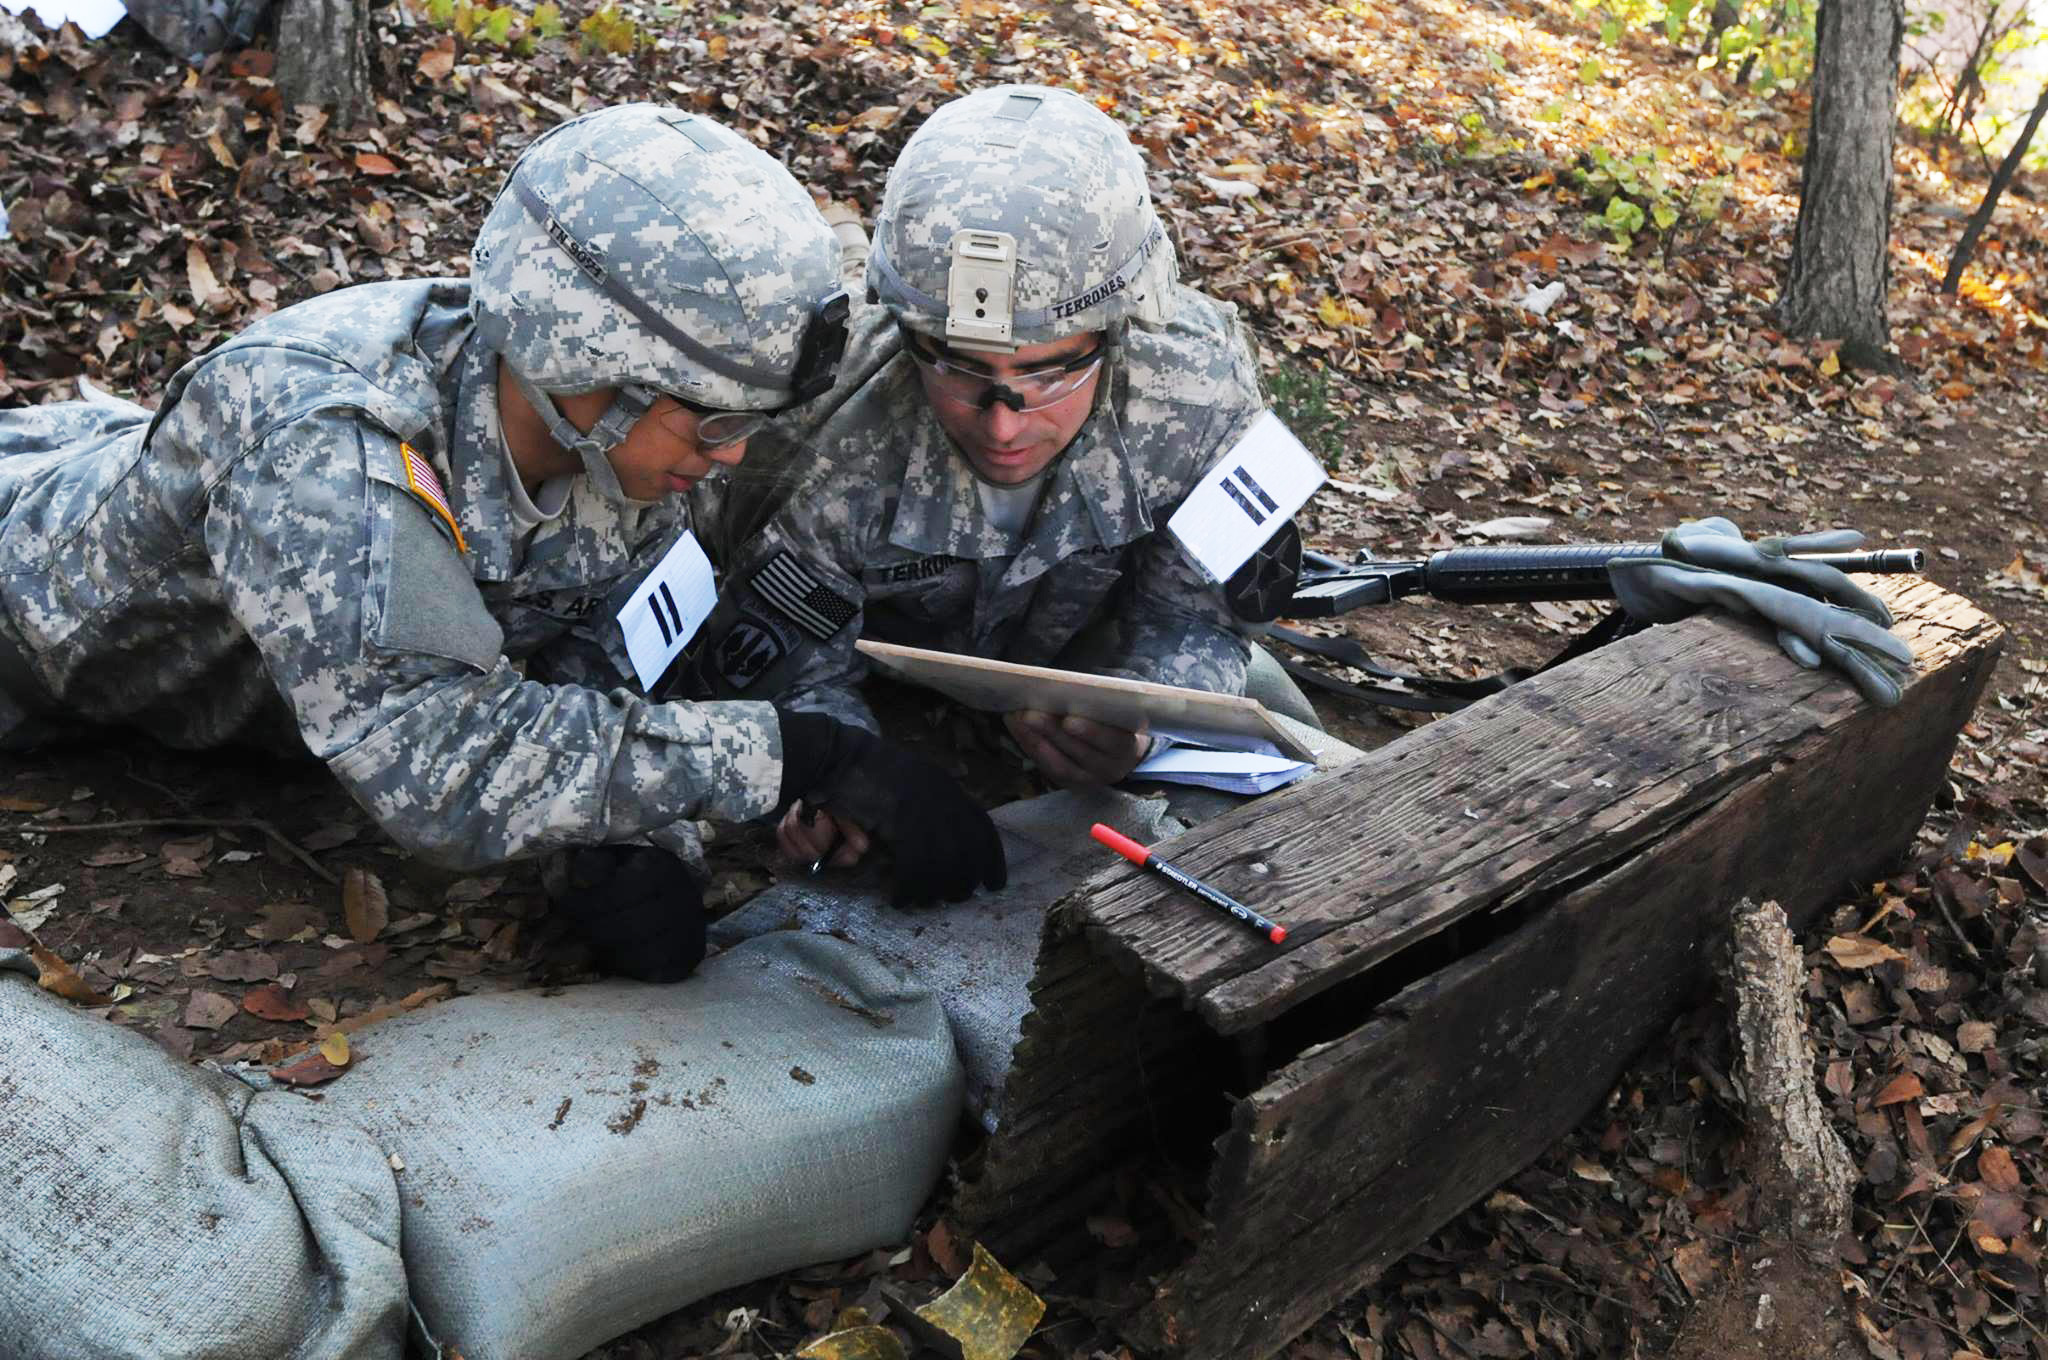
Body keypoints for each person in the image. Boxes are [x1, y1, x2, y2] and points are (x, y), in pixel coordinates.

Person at [672, 84, 1918, 874]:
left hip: (1062, 667)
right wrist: (837, 770)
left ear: (1116, 331)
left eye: (1047, 375)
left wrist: (1137, 710)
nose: (1001, 419)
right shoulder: (837, 428)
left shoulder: (1204, 396)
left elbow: (1198, 611)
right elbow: (785, 640)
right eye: (960, 373)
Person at [0, 103, 1005, 979]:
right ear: (587, 372)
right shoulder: (322, 440)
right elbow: (434, 755)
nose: (731, 459)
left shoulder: (623, 445)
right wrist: (793, 755)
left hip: (219, 687)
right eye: (712, 423)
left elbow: (597, 667)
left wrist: (635, 847)